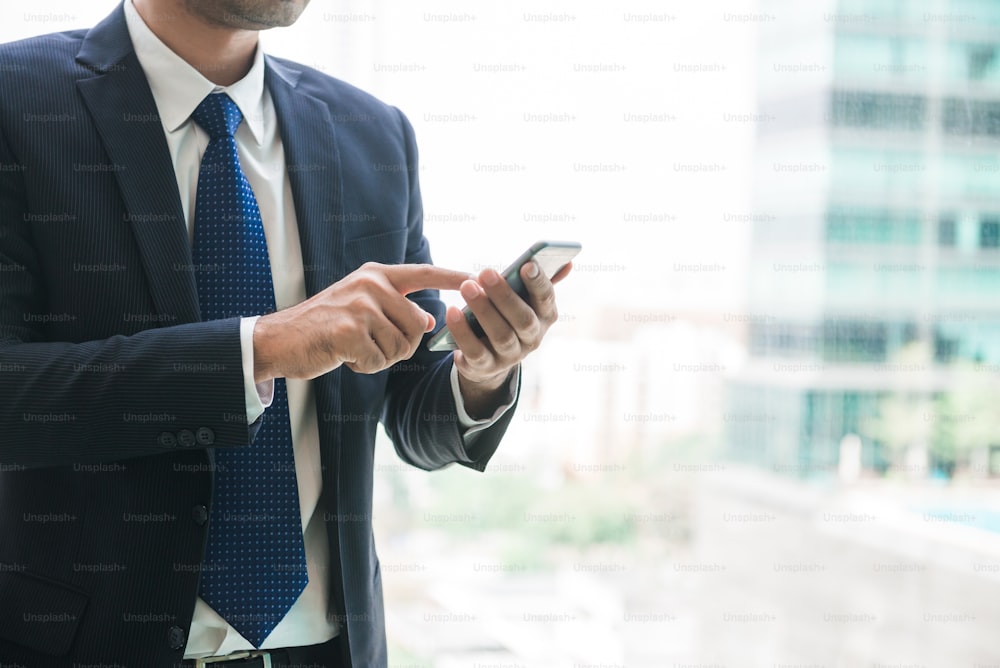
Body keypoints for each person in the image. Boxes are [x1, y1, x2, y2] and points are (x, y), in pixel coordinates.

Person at [0, 1, 570, 666]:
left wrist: (482, 372)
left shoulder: (372, 133)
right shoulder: (17, 104)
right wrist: (263, 348)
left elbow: (416, 413)